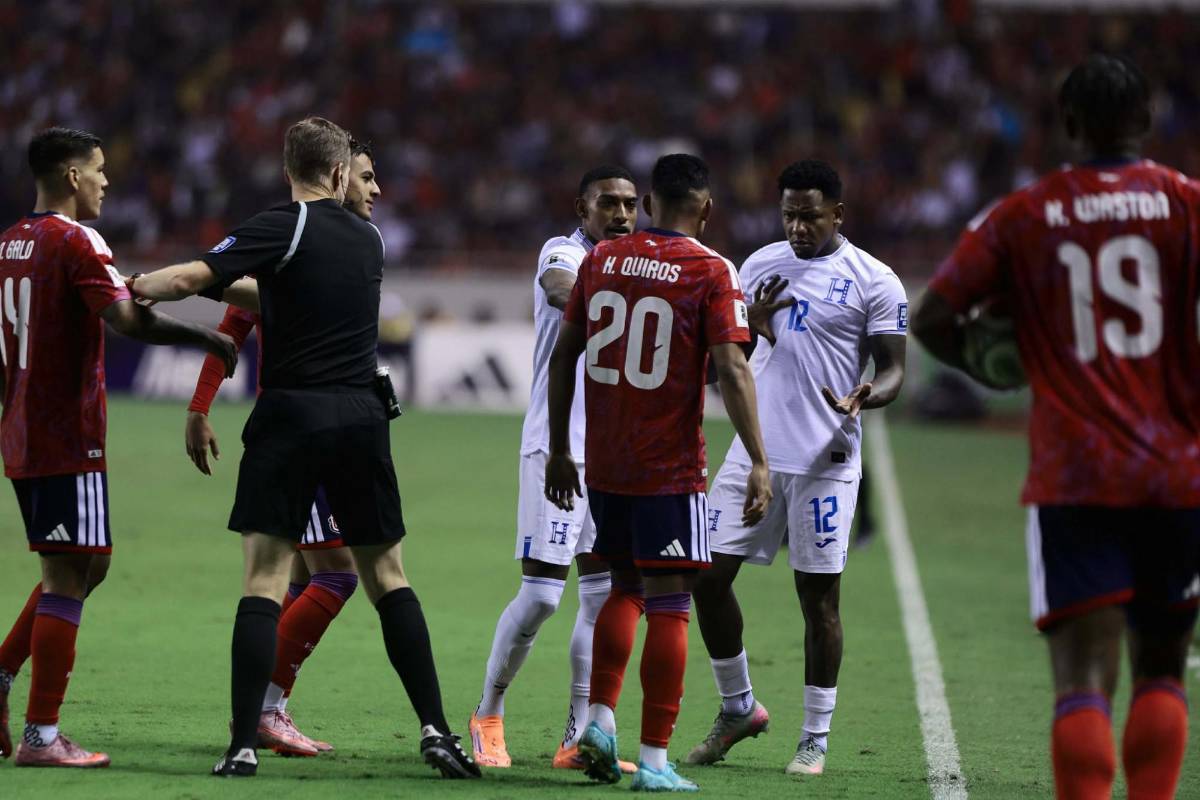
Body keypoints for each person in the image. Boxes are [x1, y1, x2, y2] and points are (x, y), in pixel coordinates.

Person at [128, 117, 478, 779]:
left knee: (265, 579)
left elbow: (187, 283)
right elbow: (268, 293)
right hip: (363, 418)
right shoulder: (370, 241)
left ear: (293, 167)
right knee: (387, 577)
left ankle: (242, 743)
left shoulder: (282, 225)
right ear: (342, 172)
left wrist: (136, 283)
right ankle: (436, 729)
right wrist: (219, 282)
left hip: (293, 416)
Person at [912, 55, 1199, 800]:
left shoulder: (1024, 213)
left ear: (1066, 124)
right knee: (1163, 666)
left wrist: (995, 364)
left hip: (1075, 472)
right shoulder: (1188, 203)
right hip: (1178, 471)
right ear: (1146, 120)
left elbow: (932, 318)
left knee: (1081, 680)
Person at [0, 127, 237, 768]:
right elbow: (126, 317)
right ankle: (41, 737)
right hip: (66, 433)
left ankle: (1, 680)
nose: (107, 181)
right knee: (68, 574)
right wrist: (206, 339)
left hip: (23, 429)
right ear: (72, 176)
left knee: (86, 565)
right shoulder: (77, 239)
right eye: (99, 170)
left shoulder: (9, 242)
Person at [545, 153, 773, 793]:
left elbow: (565, 357)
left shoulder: (601, 260)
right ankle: (651, 761)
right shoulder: (710, 269)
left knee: (623, 589)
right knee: (671, 605)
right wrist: (758, 459)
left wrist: (563, 449)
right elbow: (731, 369)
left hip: (606, 461)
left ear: (646, 204)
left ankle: (599, 720)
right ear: (706, 208)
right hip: (669, 468)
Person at [683, 160, 908, 777]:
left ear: (839, 213)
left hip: (826, 459)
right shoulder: (757, 266)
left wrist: (870, 391)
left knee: (819, 601)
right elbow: (729, 357)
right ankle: (738, 707)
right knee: (704, 575)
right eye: (789, 215)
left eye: (810, 215)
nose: (798, 227)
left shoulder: (875, 281)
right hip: (754, 449)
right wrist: (752, 329)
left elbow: (892, 366)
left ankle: (814, 738)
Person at [182, 138, 382, 757]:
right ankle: (264, 709)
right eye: (367, 178)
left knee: (297, 578)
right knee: (338, 576)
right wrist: (198, 407)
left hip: (323, 431)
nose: (375, 191)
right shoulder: (290, 241)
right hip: (305, 434)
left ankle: (268, 709)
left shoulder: (350, 249)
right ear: (338, 176)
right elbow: (232, 327)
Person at [469, 166, 641, 773]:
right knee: (544, 595)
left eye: (629, 204)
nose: (620, 214)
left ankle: (579, 736)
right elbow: (560, 290)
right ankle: (487, 713)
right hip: (557, 447)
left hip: (616, 455)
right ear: (582, 207)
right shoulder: (564, 251)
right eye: (608, 204)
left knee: (601, 598)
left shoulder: (640, 267)